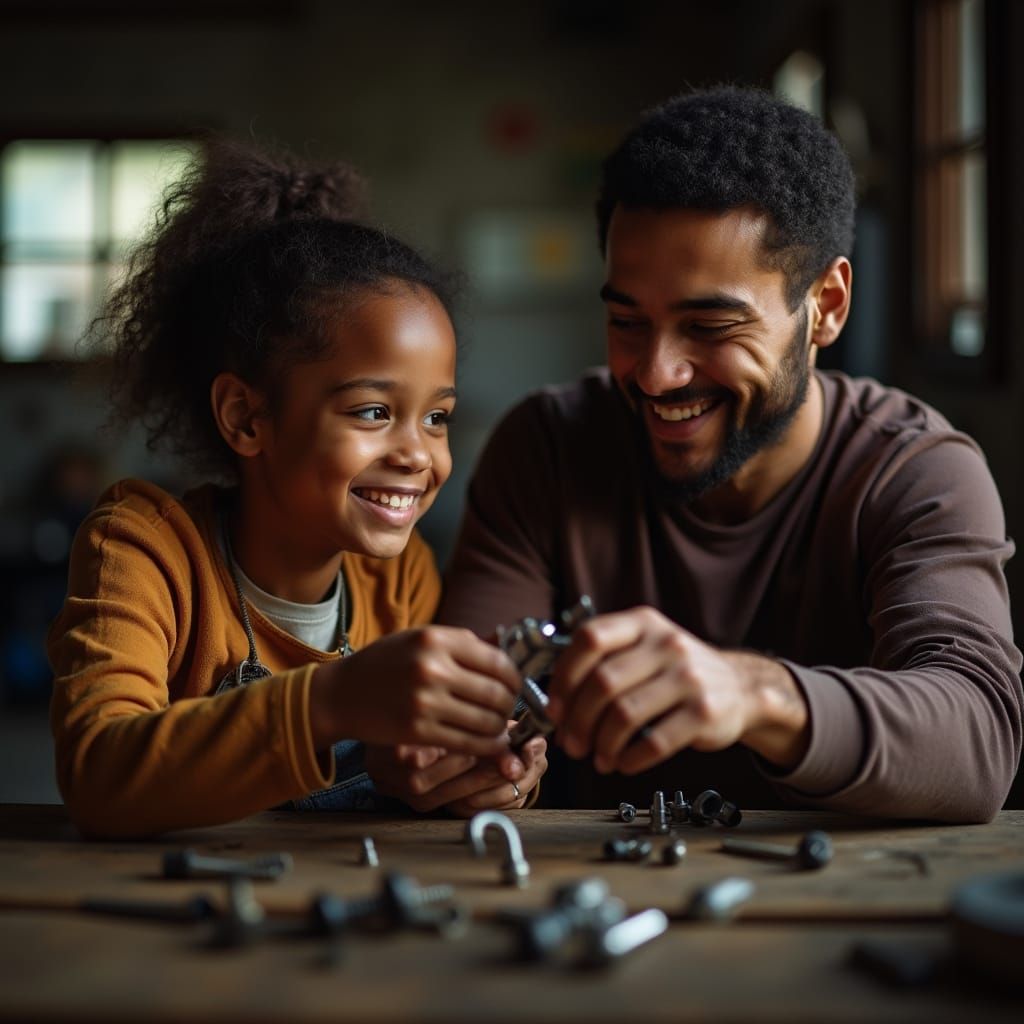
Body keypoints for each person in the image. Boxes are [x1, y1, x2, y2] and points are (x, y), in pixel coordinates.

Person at [433, 86, 1023, 823]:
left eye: (710, 325)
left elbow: (977, 746)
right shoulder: (545, 447)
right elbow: (463, 710)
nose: (655, 373)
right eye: (626, 321)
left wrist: (756, 694)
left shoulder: (916, 471)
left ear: (827, 306)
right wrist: (467, 764)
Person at [47, 139, 546, 839]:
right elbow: (98, 776)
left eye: (437, 418)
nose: (418, 454)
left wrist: (482, 777)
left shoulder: (399, 578)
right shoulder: (145, 546)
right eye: (374, 412)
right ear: (247, 418)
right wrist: (331, 699)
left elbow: (419, 767)